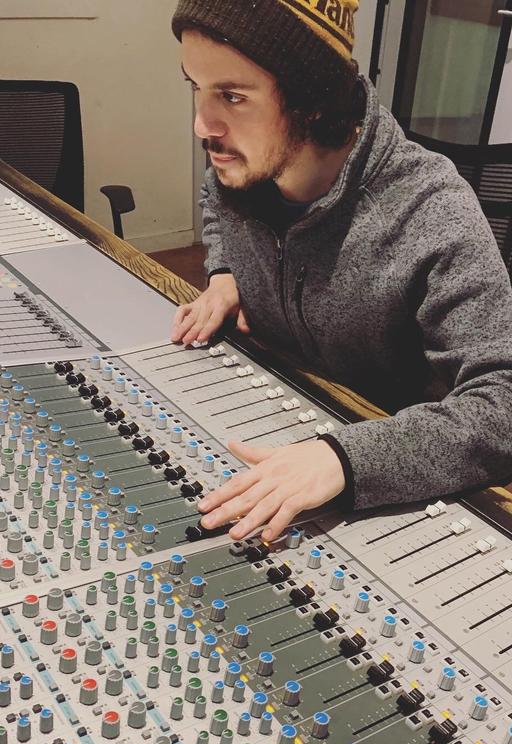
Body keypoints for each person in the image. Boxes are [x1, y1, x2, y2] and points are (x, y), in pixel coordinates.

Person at [168, 0, 512, 543]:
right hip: (283, 410)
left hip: (388, 471)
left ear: (311, 102)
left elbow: (504, 404)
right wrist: (225, 273)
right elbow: (217, 209)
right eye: (196, 86)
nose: (201, 126)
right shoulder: (240, 166)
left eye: (232, 96)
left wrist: (344, 459)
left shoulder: (431, 208)